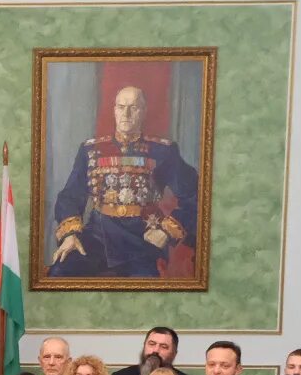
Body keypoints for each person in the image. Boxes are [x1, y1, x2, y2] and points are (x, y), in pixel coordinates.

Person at [46, 86, 200, 279]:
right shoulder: (91, 150)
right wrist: (70, 235)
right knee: (58, 273)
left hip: (143, 241)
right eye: (121, 107)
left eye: (133, 107)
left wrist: (166, 232)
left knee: (146, 290)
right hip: (97, 236)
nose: (126, 113)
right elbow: (70, 195)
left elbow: (195, 195)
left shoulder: (162, 151)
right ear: (114, 110)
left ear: (143, 112)